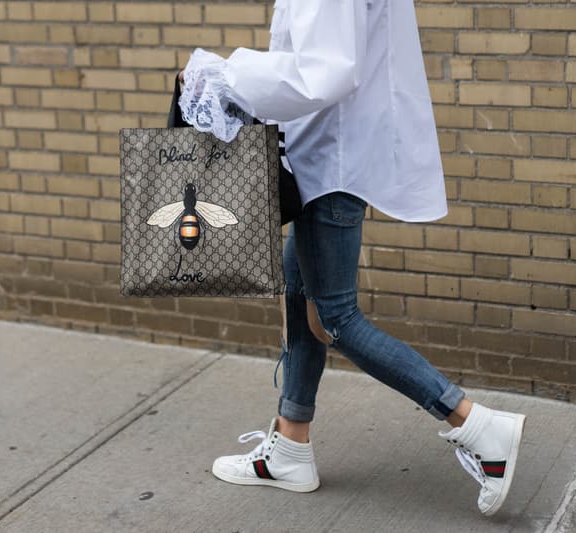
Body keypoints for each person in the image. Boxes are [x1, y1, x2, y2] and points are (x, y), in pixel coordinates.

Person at [177, 0, 527, 517]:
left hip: (329, 168)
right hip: (322, 161)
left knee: (335, 318)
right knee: (298, 296)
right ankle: (292, 447)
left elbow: (327, 72)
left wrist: (227, 72)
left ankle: (478, 425)